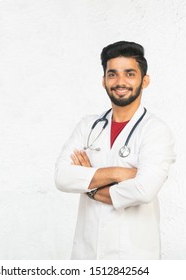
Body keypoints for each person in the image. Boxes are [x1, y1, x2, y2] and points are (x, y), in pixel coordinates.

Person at [54, 41, 176, 260]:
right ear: (103, 81)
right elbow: (62, 177)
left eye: (130, 74)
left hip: (132, 257)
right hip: (87, 253)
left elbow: (143, 190)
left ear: (144, 80)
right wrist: (120, 173)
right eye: (112, 74)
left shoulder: (155, 131)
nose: (120, 82)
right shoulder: (88, 126)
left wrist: (89, 185)